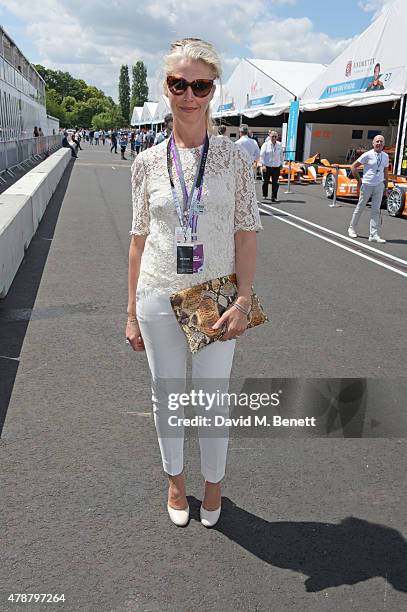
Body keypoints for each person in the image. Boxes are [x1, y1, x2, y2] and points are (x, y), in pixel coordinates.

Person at [126, 38, 262, 529]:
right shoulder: (145, 163)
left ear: (212, 90)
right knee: (167, 397)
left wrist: (244, 300)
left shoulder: (232, 159)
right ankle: (175, 482)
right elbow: (138, 240)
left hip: (214, 297)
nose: (188, 95)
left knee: (210, 398)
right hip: (158, 292)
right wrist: (129, 313)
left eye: (200, 85)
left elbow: (246, 234)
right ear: (165, 87)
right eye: (178, 83)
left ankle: (214, 485)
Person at [347, 135, 389, 243]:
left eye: (381, 141)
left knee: (376, 210)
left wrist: (386, 186)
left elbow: (385, 172)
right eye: (377, 141)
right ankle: (351, 228)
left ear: (384, 144)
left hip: (379, 185)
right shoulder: (367, 155)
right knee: (360, 207)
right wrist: (359, 181)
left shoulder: (385, 156)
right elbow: (353, 167)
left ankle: (373, 234)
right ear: (373, 143)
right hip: (367, 185)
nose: (379, 143)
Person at [260, 130, 284, 202]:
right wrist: (263, 165)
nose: (274, 138)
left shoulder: (279, 145)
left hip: (276, 167)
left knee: (275, 183)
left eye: (275, 136)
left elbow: (281, 155)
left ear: (277, 137)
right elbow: (262, 155)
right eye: (272, 136)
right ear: (270, 137)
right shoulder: (265, 144)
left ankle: (274, 197)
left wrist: (281, 164)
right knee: (265, 182)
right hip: (267, 166)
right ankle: (264, 194)